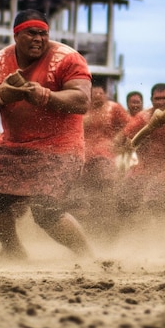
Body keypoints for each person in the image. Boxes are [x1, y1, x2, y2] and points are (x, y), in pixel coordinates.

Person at [0, 9, 93, 259]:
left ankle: (87, 256)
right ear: (16, 35)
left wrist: (45, 96)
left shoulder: (68, 59)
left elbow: (82, 100)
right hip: (13, 145)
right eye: (31, 33)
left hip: (61, 146)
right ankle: (13, 250)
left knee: (44, 208)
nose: (38, 39)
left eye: (43, 34)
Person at [120, 83, 165, 238]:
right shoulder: (143, 118)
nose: (161, 102)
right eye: (157, 99)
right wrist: (124, 146)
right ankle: (134, 235)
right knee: (124, 196)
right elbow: (123, 139)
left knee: (157, 197)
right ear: (151, 100)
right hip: (144, 167)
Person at [72, 82, 129, 241]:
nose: (98, 96)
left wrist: (120, 139)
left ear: (105, 95)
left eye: (100, 94)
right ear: (89, 95)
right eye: (94, 94)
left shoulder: (114, 108)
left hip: (106, 156)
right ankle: (90, 233)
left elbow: (130, 125)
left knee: (106, 196)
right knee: (84, 199)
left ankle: (110, 233)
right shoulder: (82, 109)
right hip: (83, 157)